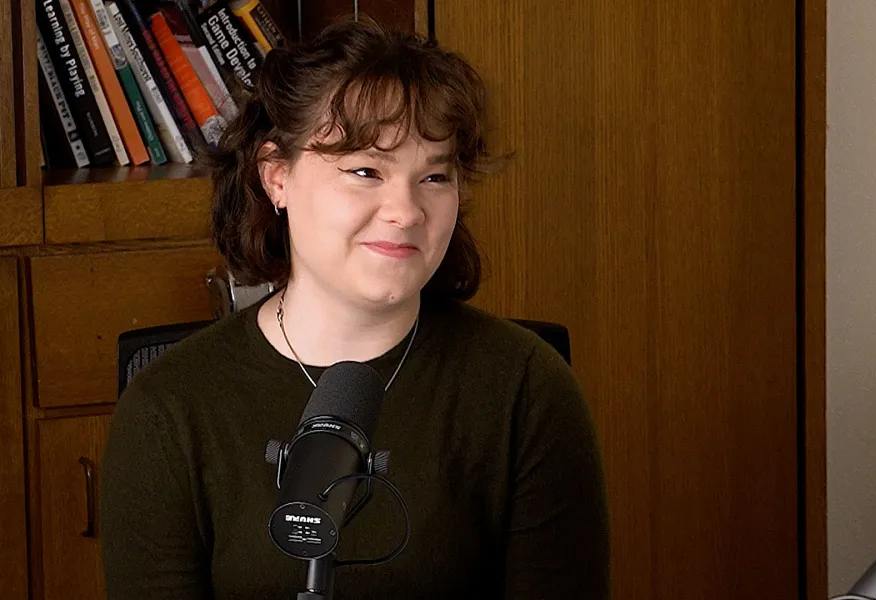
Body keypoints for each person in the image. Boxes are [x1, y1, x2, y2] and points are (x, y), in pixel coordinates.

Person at [101, 18, 610, 600]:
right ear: (277, 177)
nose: (406, 211)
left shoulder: (527, 389)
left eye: (434, 176)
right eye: (365, 171)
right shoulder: (167, 411)